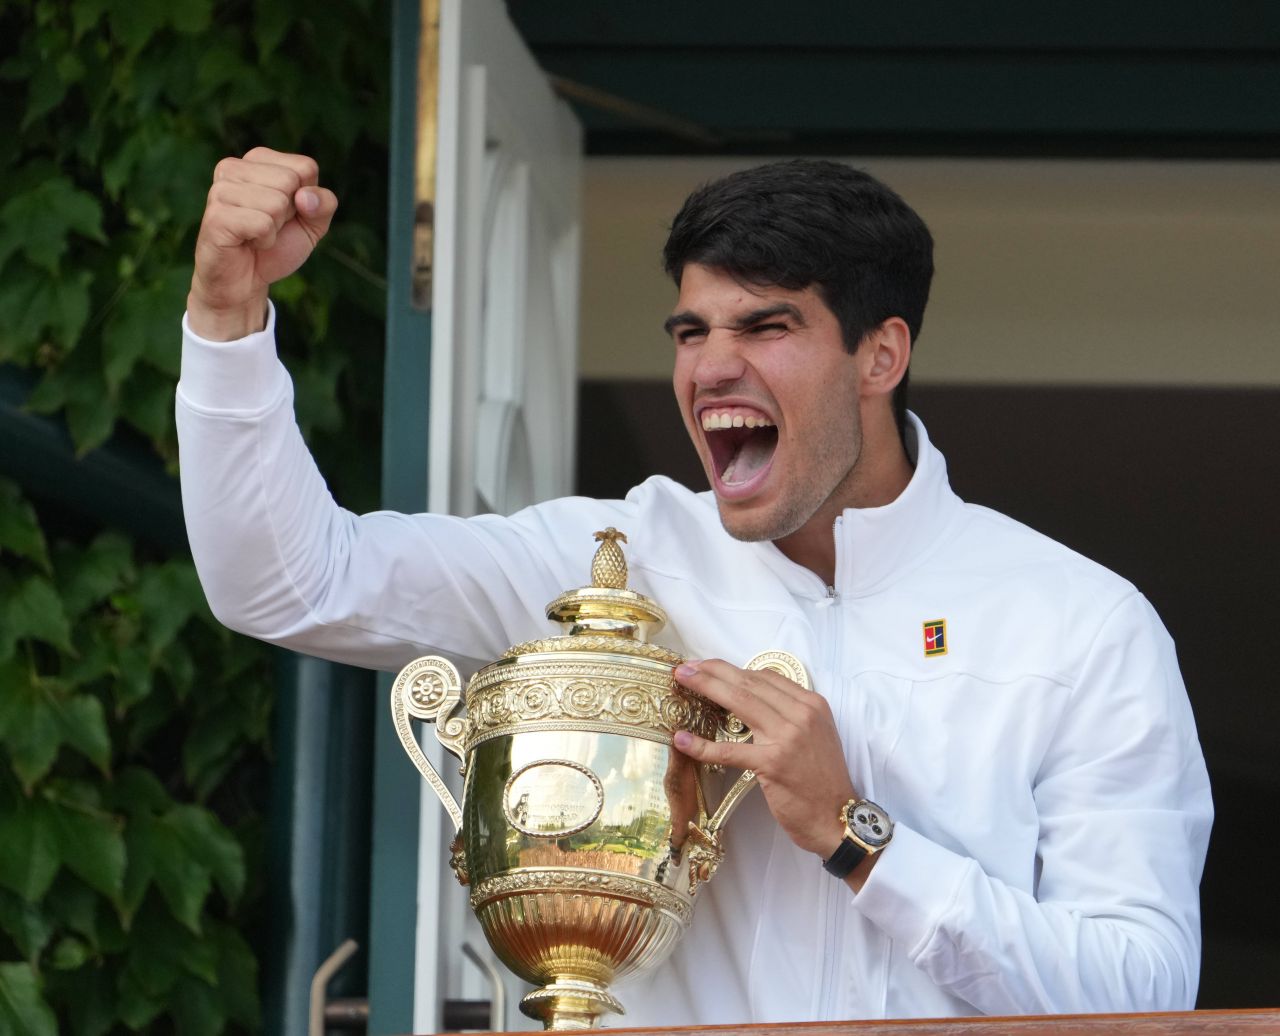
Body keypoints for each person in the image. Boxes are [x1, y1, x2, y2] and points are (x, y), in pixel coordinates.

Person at [177, 149, 1213, 1024]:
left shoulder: (1081, 623)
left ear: (880, 352)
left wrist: (854, 834)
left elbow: (1143, 991)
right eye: (689, 331)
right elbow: (288, 583)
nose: (709, 367)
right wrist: (228, 313)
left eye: (764, 327)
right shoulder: (607, 559)